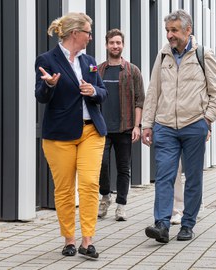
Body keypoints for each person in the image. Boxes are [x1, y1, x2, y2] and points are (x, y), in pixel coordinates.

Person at [141, 9, 216, 243]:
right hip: (165, 126)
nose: (169, 35)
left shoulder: (203, 54)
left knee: (194, 177)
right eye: (167, 30)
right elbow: (153, 91)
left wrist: (207, 119)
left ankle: (188, 224)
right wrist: (147, 123)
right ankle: (162, 225)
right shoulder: (163, 55)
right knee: (165, 175)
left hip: (193, 124)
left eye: (174, 30)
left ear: (188, 30)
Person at [35, 12, 106, 259]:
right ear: (75, 33)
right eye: (88, 32)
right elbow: (41, 96)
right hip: (59, 135)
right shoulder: (47, 59)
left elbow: (103, 92)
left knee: (88, 184)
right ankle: (69, 240)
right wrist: (49, 85)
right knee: (65, 189)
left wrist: (94, 90)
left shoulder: (90, 61)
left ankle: (87, 241)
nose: (90, 36)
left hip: (91, 131)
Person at [97, 29, 145, 221]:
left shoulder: (132, 70)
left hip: (125, 128)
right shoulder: (98, 70)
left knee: (124, 168)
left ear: (123, 45)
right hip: (101, 128)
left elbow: (139, 100)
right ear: (106, 45)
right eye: (112, 43)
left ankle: (121, 205)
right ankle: (105, 196)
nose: (115, 46)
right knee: (101, 165)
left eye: (118, 43)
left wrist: (137, 126)